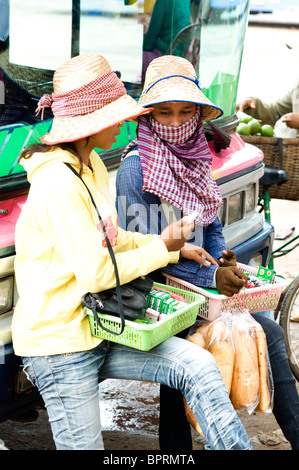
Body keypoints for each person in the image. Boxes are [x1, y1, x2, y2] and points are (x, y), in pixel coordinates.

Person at [11, 52, 253, 451]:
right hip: (60, 347)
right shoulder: (60, 185)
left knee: (199, 367)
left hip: (98, 326)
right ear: (93, 121)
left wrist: (176, 249)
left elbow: (114, 237)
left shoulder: (89, 168)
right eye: (117, 113)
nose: (126, 121)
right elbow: (98, 273)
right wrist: (161, 247)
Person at [116, 55, 299, 451]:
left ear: (198, 115)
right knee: (186, 368)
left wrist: (222, 258)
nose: (177, 122)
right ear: (147, 116)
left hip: (203, 295)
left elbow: (211, 225)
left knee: (270, 336)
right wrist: (211, 278)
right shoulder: (136, 170)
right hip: (158, 301)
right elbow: (144, 256)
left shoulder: (197, 157)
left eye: (186, 112)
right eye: (165, 113)